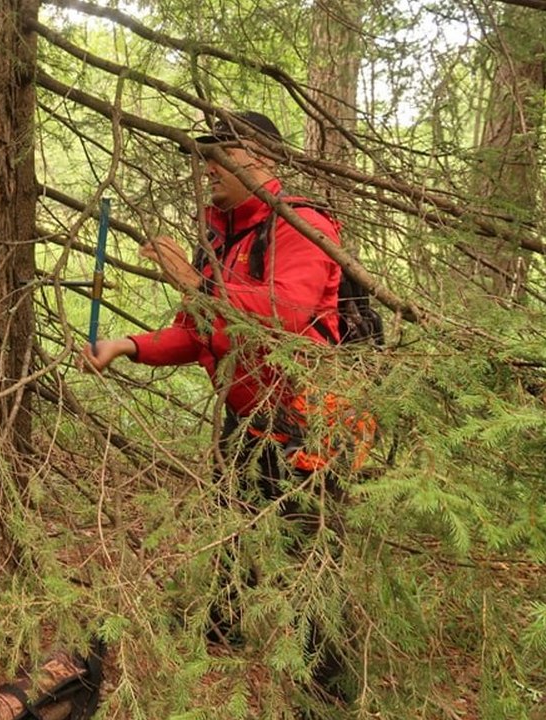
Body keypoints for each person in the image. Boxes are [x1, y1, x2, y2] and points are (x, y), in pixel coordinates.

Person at [82, 111, 356, 702]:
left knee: (310, 566)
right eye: (204, 155)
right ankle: (221, 635)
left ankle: (326, 698)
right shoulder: (220, 234)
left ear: (265, 159)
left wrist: (195, 281)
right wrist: (129, 345)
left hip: (307, 423)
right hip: (244, 418)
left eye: (222, 154)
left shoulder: (300, 224)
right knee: (234, 531)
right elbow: (198, 328)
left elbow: (286, 311)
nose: (209, 167)